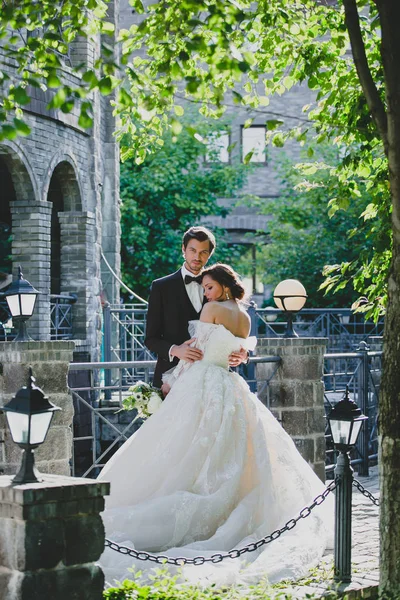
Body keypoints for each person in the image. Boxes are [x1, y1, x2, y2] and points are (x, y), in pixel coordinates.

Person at [98, 264, 333, 588]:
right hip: (230, 383)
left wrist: (169, 383)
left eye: (209, 287)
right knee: (234, 445)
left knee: (185, 442)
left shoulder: (211, 309)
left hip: (203, 380)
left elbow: (195, 352)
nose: (205, 293)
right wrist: (238, 356)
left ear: (222, 286)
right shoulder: (245, 317)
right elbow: (237, 354)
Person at [145, 226, 246, 388]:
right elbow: (150, 339)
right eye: (192, 250)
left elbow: (236, 329)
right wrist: (175, 350)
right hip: (170, 379)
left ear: (209, 255)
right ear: (183, 249)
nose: (197, 257)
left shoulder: (221, 289)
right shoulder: (161, 287)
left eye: (203, 252)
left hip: (212, 382)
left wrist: (244, 354)